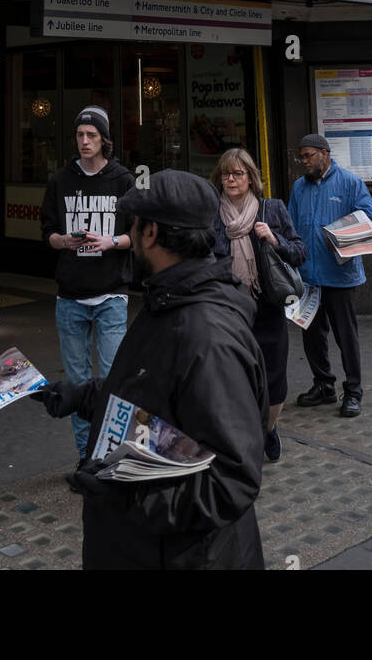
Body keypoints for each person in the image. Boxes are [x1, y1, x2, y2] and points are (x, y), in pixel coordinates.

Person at [35, 170, 269, 571]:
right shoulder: (169, 300)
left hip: (185, 557)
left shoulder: (205, 334)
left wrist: (128, 497)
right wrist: (87, 395)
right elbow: (155, 394)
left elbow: (231, 480)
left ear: (150, 233)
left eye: (134, 225)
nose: (128, 235)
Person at [40, 106, 135, 471]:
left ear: (103, 139)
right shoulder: (60, 180)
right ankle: (86, 457)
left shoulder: (123, 180)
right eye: (80, 135)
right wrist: (61, 240)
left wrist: (111, 241)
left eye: (91, 135)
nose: (84, 141)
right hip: (71, 296)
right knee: (78, 384)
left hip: (111, 294)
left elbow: (137, 236)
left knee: (112, 380)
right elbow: (45, 232)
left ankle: (112, 455)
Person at [211, 147, 306, 462]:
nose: (231, 179)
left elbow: (299, 251)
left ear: (251, 178)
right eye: (226, 173)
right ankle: (242, 437)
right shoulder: (212, 214)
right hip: (229, 309)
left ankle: (269, 427)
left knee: (274, 378)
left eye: (238, 173)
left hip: (267, 307)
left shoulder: (272, 209)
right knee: (233, 377)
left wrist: (274, 240)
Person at [288, 134, 372, 418]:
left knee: (346, 337)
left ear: (325, 154)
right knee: (312, 336)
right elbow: (291, 226)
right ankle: (323, 385)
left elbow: (371, 218)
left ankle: (353, 391)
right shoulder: (298, 187)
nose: (304, 162)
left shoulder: (350, 183)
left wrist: (339, 233)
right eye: (301, 157)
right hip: (309, 277)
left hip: (340, 276)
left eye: (308, 156)